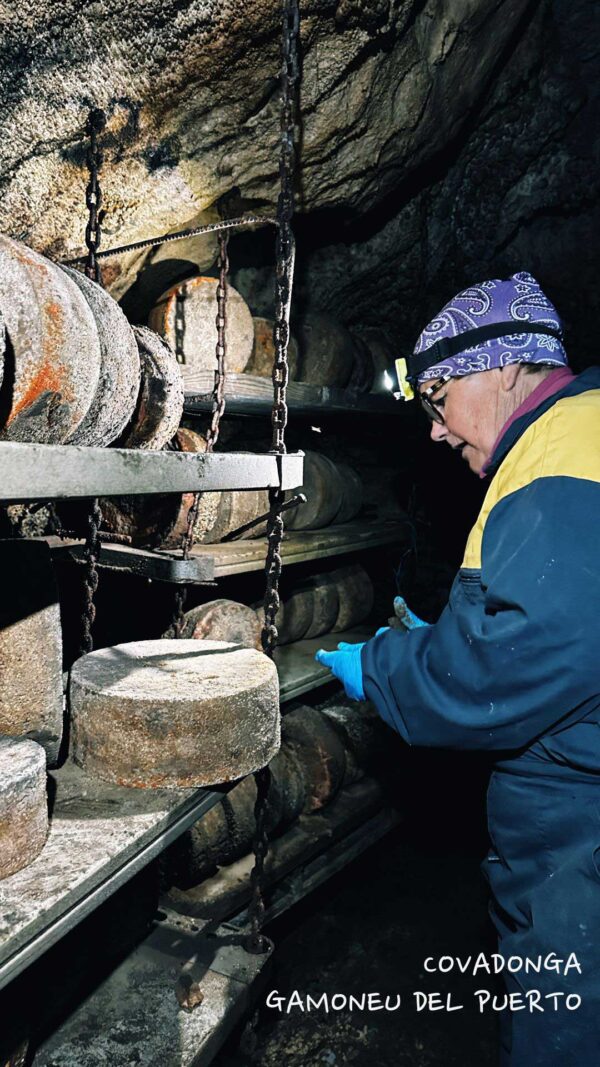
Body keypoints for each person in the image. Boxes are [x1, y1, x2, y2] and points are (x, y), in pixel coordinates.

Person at [315, 272, 600, 1066]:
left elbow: (498, 674)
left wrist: (390, 666)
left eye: (439, 396)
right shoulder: (578, 436)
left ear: (506, 366)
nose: (436, 430)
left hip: (582, 855)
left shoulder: (558, 465)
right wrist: (455, 632)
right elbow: (554, 624)